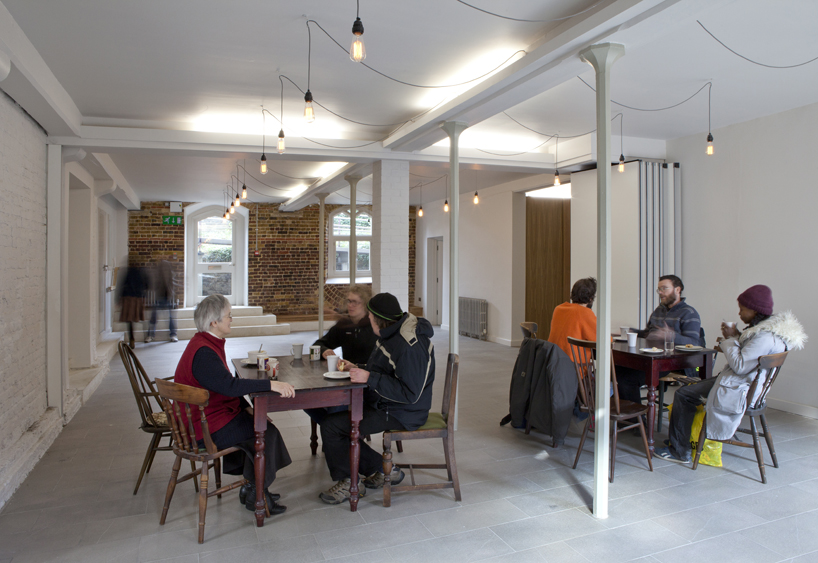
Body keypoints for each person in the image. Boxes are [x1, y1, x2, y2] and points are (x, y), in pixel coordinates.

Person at [656, 285, 806, 463]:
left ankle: (679, 451)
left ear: (755, 310)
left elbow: (741, 366)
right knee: (690, 389)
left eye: (742, 309)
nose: (740, 314)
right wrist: (736, 336)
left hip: (739, 389)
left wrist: (730, 339)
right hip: (745, 385)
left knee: (683, 394)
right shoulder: (768, 332)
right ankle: (681, 438)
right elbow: (748, 357)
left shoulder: (764, 337)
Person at [173, 294, 294, 513]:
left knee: (256, 424)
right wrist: (269, 385)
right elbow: (228, 385)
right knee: (265, 432)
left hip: (207, 417)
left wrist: (245, 406)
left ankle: (251, 487)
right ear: (214, 322)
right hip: (204, 428)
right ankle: (258, 494)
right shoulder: (204, 353)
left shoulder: (205, 342)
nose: (231, 319)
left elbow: (222, 383)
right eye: (228, 316)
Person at [318, 293, 436, 504]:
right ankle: (383, 469)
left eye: (370, 316)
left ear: (375, 318)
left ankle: (349, 482)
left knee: (332, 427)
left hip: (404, 413)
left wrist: (370, 377)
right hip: (385, 403)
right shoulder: (391, 334)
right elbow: (385, 371)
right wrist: (359, 368)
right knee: (332, 418)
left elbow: (410, 393)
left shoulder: (409, 345)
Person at [618, 275, 706, 404]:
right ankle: (623, 416)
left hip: (673, 363)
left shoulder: (689, 313)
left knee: (627, 379)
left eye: (664, 289)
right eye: (659, 289)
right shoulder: (658, 311)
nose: (660, 293)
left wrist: (671, 336)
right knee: (617, 371)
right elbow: (649, 333)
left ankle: (636, 421)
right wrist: (632, 332)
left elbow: (694, 343)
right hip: (650, 359)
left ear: (677, 290)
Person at [306, 285, 379, 424]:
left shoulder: (374, 327)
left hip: (368, 383)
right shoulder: (344, 324)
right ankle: (338, 432)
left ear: (365, 304)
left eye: (355, 302)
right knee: (307, 401)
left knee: (336, 406)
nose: (350, 305)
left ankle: (337, 432)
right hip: (346, 380)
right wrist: (324, 351)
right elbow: (317, 345)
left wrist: (358, 368)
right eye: (348, 301)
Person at [547, 277, 598, 359]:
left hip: (553, 365)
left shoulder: (558, 309)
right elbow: (604, 340)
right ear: (591, 298)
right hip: (574, 369)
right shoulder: (585, 313)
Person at [145, 260, 178, 343]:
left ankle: (173, 334)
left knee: (170, 317)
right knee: (154, 317)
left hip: (167, 297)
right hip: (158, 297)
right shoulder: (156, 275)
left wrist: (171, 296)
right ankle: (150, 335)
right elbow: (153, 286)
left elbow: (172, 286)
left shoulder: (171, 274)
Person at [118, 263, 148, 349]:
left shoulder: (128, 272)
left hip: (128, 298)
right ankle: (145, 336)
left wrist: (118, 299)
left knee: (129, 320)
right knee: (140, 318)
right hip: (138, 298)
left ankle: (132, 339)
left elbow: (122, 285)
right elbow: (146, 284)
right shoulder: (141, 271)